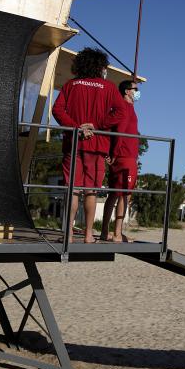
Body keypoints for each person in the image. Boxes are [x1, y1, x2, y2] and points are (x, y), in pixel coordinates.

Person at [52, 47, 127, 243]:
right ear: (100, 66)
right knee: (91, 190)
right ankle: (87, 235)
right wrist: (98, 125)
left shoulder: (71, 85)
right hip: (98, 145)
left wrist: (76, 127)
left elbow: (57, 110)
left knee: (73, 190)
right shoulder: (109, 87)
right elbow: (120, 112)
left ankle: (68, 234)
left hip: (73, 143)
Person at [101, 80, 140, 242]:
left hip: (125, 155)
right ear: (126, 91)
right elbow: (120, 132)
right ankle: (117, 233)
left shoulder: (128, 108)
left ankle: (106, 231)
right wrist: (115, 154)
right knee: (125, 195)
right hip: (125, 156)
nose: (137, 92)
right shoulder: (125, 107)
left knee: (114, 194)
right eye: (135, 89)